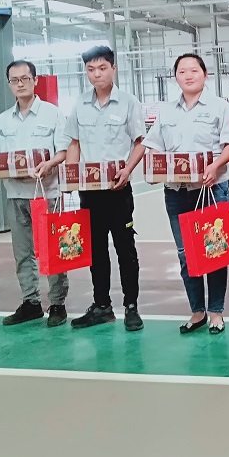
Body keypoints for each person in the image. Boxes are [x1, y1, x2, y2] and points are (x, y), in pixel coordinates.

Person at [144, 53, 229, 335]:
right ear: (176, 77)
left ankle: (216, 312)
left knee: (214, 251)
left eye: (194, 70)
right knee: (186, 254)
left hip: (211, 189)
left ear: (205, 74)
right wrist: (154, 167)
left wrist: (215, 166)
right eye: (182, 71)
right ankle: (197, 311)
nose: (188, 75)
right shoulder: (166, 111)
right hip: (176, 192)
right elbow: (154, 146)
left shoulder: (220, 107)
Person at [67, 46, 147, 331]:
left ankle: (131, 306)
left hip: (118, 191)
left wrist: (127, 170)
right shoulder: (79, 104)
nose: (96, 74)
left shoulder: (128, 102)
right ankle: (101, 305)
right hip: (89, 193)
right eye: (91, 69)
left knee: (125, 249)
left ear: (113, 69)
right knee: (96, 250)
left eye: (102, 68)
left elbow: (140, 142)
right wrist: (71, 176)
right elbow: (74, 143)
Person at [0, 60, 70, 328]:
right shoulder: (3, 120)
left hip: (47, 194)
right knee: (22, 252)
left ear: (35, 80)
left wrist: (48, 165)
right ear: (9, 84)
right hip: (15, 194)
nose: (20, 84)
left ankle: (57, 303)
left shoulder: (53, 114)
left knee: (52, 250)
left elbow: (63, 151)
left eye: (25, 78)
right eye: (14, 80)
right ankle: (31, 302)